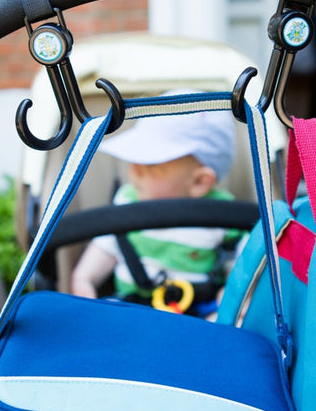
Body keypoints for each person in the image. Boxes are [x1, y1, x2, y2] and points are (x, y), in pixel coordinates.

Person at [71, 92, 244, 317]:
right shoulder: (126, 202)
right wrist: (84, 283)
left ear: (200, 182)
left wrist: (234, 293)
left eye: (151, 164)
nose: (134, 170)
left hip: (196, 316)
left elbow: (241, 265)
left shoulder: (226, 217)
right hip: (130, 311)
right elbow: (100, 255)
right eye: (136, 158)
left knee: (233, 321)